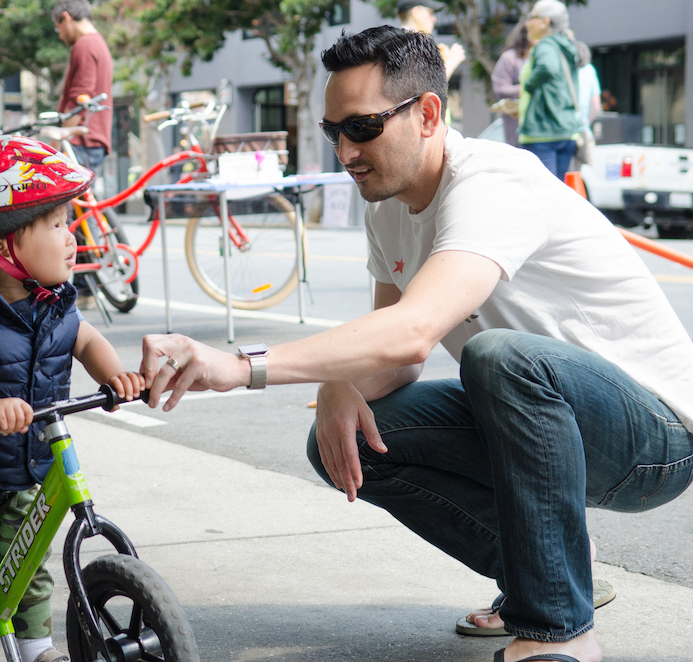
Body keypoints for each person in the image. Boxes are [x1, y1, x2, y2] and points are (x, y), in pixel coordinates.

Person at [139, 25, 693, 662]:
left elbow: (412, 331)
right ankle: (555, 573)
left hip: (653, 435)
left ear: (428, 113)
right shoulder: (388, 207)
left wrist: (239, 367)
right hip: (544, 419)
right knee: (346, 441)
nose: (345, 151)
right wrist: (336, 388)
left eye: (362, 127)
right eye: (332, 131)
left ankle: (558, 633)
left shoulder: (492, 184)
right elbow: (396, 359)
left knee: (498, 355)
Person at [0, 135, 145, 662]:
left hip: (23, 457)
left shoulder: (56, 301)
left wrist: (118, 377)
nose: (71, 237)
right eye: (58, 225)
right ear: (1, 247)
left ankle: (39, 650)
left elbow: (85, 341)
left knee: (30, 559)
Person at [518, 0, 580, 181]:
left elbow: (548, 67)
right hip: (566, 130)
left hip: (542, 132)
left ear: (545, 22)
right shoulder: (566, 45)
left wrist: (528, 86)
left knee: (541, 192)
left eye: (532, 18)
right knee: (557, 191)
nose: (527, 23)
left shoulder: (545, 45)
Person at [52, 0, 113, 172]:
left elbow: (79, 100)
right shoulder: (97, 42)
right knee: (84, 198)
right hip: (89, 142)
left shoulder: (84, 45)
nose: (60, 35)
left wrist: (58, 142)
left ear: (66, 17)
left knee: (67, 198)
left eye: (59, 28)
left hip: (80, 143)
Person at [397, 0, 465, 82]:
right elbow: (426, 89)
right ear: (416, 13)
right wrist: (452, 61)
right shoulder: (410, 45)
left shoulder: (394, 42)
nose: (434, 19)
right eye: (430, 13)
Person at [491, 26, 533, 147]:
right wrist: (526, 90)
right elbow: (500, 88)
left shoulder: (544, 56)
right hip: (517, 127)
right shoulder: (509, 58)